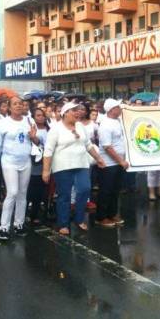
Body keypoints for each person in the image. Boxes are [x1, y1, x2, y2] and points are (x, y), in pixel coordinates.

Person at [42, 102, 105, 235]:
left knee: (84, 189)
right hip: (62, 167)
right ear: (65, 113)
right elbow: (48, 151)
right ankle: (63, 224)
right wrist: (46, 170)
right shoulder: (56, 128)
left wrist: (99, 158)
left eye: (78, 111)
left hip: (81, 164)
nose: (78, 113)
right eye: (74, 111)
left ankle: (79, 218)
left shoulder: (80, 126)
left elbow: (88, 145)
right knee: (64, 195)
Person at [0, 97, 38, 241]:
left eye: (21, 104)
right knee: (12, 192)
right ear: (9, 107)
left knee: (22, 194)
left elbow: (36, 141)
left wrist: (34, 137)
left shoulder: (29, 121)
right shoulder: (2, 123)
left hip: (25, 161)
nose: (18, 106)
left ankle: (19, 224)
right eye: (15, 104)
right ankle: (3, 227)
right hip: (9, 161)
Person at [96, 99, 128, 228]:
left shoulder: (117, 121)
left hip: (119, 163)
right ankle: (101, 217)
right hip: (109, 164)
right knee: (106, 191)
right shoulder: (105, 125)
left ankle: (112, 214)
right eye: (118, 107)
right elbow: (107, 146)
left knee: (115, 190)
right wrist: (120, 160)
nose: (120, 109)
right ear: (111, 110)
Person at [27, 108, 49, 225]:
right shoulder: (32, 129)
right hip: (35, 163)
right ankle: (29, 214)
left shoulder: (49, 129)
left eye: (42, 115)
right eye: (38, 115)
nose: (41, 117)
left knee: (42, 190)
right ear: (34, 117)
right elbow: (36, 142)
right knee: (32, 190)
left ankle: (38, 213)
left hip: (47, 162)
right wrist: (33, 138)